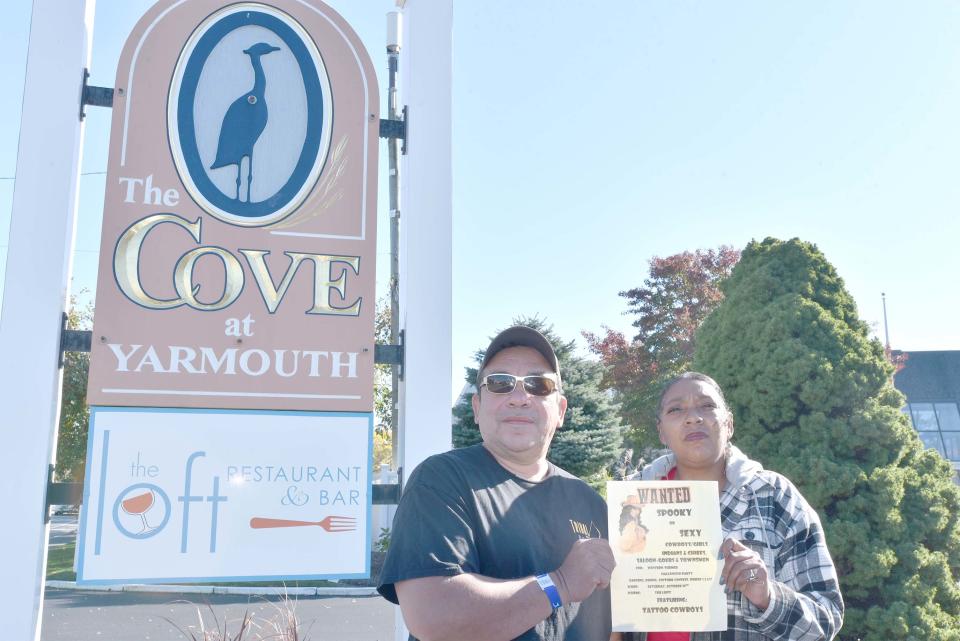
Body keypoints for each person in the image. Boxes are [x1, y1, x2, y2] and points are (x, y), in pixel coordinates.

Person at [377, 326, 617, 641]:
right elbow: (434, 617)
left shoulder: (590, 503)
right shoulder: (441, 481)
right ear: (477, 407)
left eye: (539, 384)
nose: (519, 398)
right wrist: (560, 583)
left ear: (560, 411)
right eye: (500, 383)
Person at [623, 372, 843, 641]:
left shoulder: (774, 497)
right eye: (676, 409)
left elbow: (826, 618)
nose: (693, 417)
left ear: (729, 424)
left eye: (707, 406)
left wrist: (768, 598)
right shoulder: (630, 501)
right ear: (661, 432)